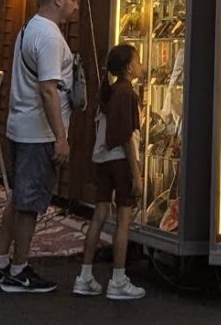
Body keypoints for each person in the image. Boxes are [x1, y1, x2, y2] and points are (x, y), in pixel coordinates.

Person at [0, 0, 79, 294]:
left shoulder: (28, 28)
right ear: (57, 0)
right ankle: (18, 269)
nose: (75, 6)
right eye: (73, 0)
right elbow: (49, 90)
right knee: (28, 203)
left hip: (20, 125)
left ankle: (0, 263)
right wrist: (61, 136)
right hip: (38, 132)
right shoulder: (49, 37)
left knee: (18, 198)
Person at [73, 44, 146, 300]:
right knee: (124, 220)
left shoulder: (109, 91)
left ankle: (84, 276)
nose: (140, 64)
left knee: (100, 213)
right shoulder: (127, 93)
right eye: (137, 60)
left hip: (101, 157)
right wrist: (136, 172)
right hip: (119, 159)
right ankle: (118, 279)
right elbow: (126, 137)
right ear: (128, 66)